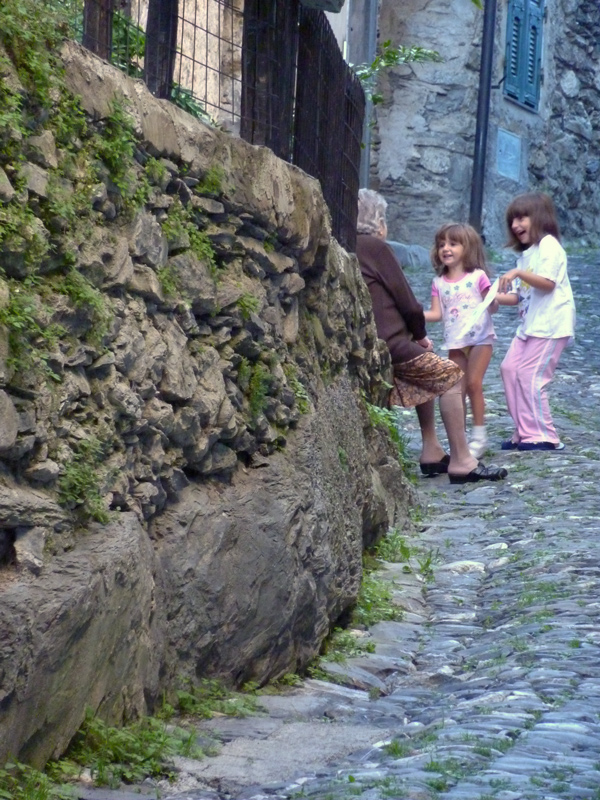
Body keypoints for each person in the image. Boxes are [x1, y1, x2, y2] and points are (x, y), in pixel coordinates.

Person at [355, 189, 507, 484]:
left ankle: (432, 451)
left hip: (376, 338)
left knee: (424, 371)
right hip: (391, 341)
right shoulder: (376, 247)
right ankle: (462, 461)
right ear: (379, 222)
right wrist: (421, 336)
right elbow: (408, 303)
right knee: (451, 376)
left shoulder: (351, 245)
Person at [496, 192, 575, 451]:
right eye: (512, 220)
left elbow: (548, 284)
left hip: (550, 324)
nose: (515, 225)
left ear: (539, 217)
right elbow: (520, 296)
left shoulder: (549, 245)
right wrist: (489, 298)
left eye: (521, 218)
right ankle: (524, 430)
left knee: (530, 375)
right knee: (509, 369)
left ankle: (545, 435)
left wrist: (518, 273)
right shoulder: (526, 256)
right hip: (530, 325)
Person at [424, 223, 496, 459]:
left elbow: (492, 305)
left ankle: (479, 437)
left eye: (453, 244)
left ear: (468, 248)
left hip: (480, 339)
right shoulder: (438, 283)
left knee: (474, 384)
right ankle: (461, 441)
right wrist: (412, 313)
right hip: (455, 342)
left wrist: (494, 299)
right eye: (441, 244)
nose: (446, 248)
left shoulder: (477, 277)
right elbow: (436, 314)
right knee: (456, 391)